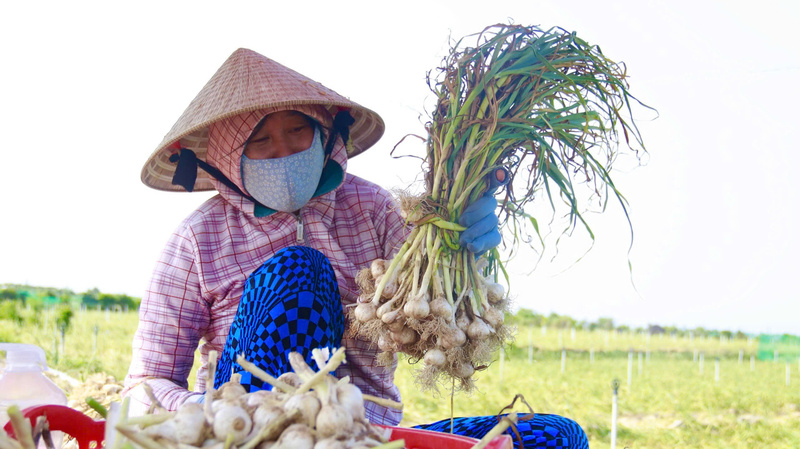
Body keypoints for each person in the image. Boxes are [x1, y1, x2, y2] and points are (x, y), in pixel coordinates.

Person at [124, 48, 589, 448]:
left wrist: (460, 252)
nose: (282, 152)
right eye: (259, 142)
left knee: (556, 436)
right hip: (250, 430)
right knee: (298, 271)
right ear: (226, 157)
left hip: (365, 435)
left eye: (297, 132)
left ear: (326, 133)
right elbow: (145, 383)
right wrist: (206, 414)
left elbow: (430, 318)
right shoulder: (198, 239)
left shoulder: (373, 209)